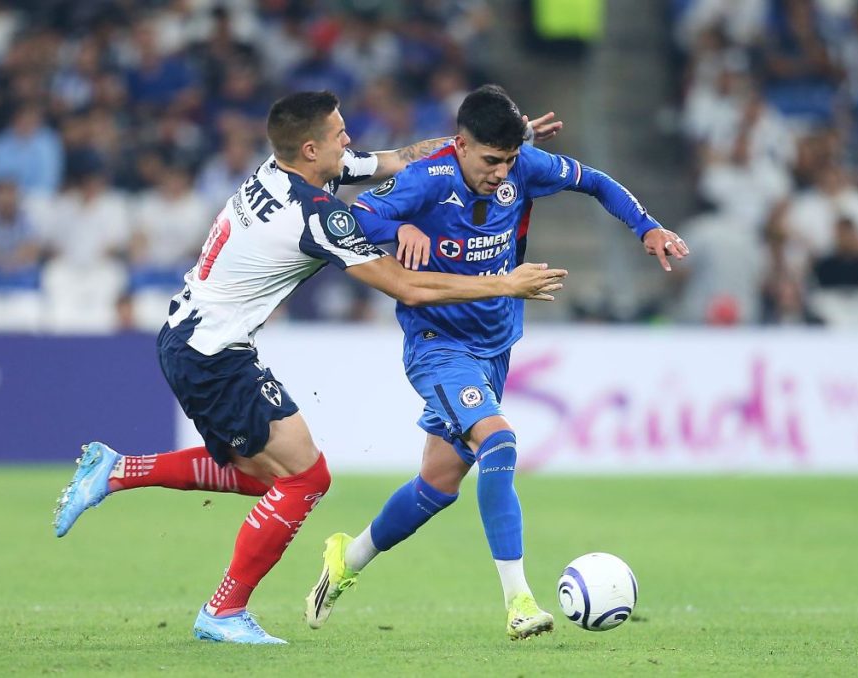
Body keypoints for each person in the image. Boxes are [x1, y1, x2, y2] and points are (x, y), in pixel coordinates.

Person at [52, 90, 567, 646]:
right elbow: (407, 287)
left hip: (194, 339)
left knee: (266, 476)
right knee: (305, 479)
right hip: (212, 355)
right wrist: (504, 283)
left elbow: (404, 157)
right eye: (340, 133)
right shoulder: (315, 214)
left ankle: (118, 470)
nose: (350, 140)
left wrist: (501, 141)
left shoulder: (284, 171)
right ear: (310, 148)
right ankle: (223, 610)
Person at [304, 85, 689, 640]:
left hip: (495, 346)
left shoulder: (523, 166)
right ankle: (519, 601)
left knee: (438, 484)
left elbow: (596, 181)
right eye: (491, 160)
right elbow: (357, 214)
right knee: (500, 442)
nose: (502, 173)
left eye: (509, 159)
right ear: (460, 145)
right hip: (438, 344)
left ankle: (347, 557)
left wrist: (646, 226)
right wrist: (399, 227)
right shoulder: (427, 179)